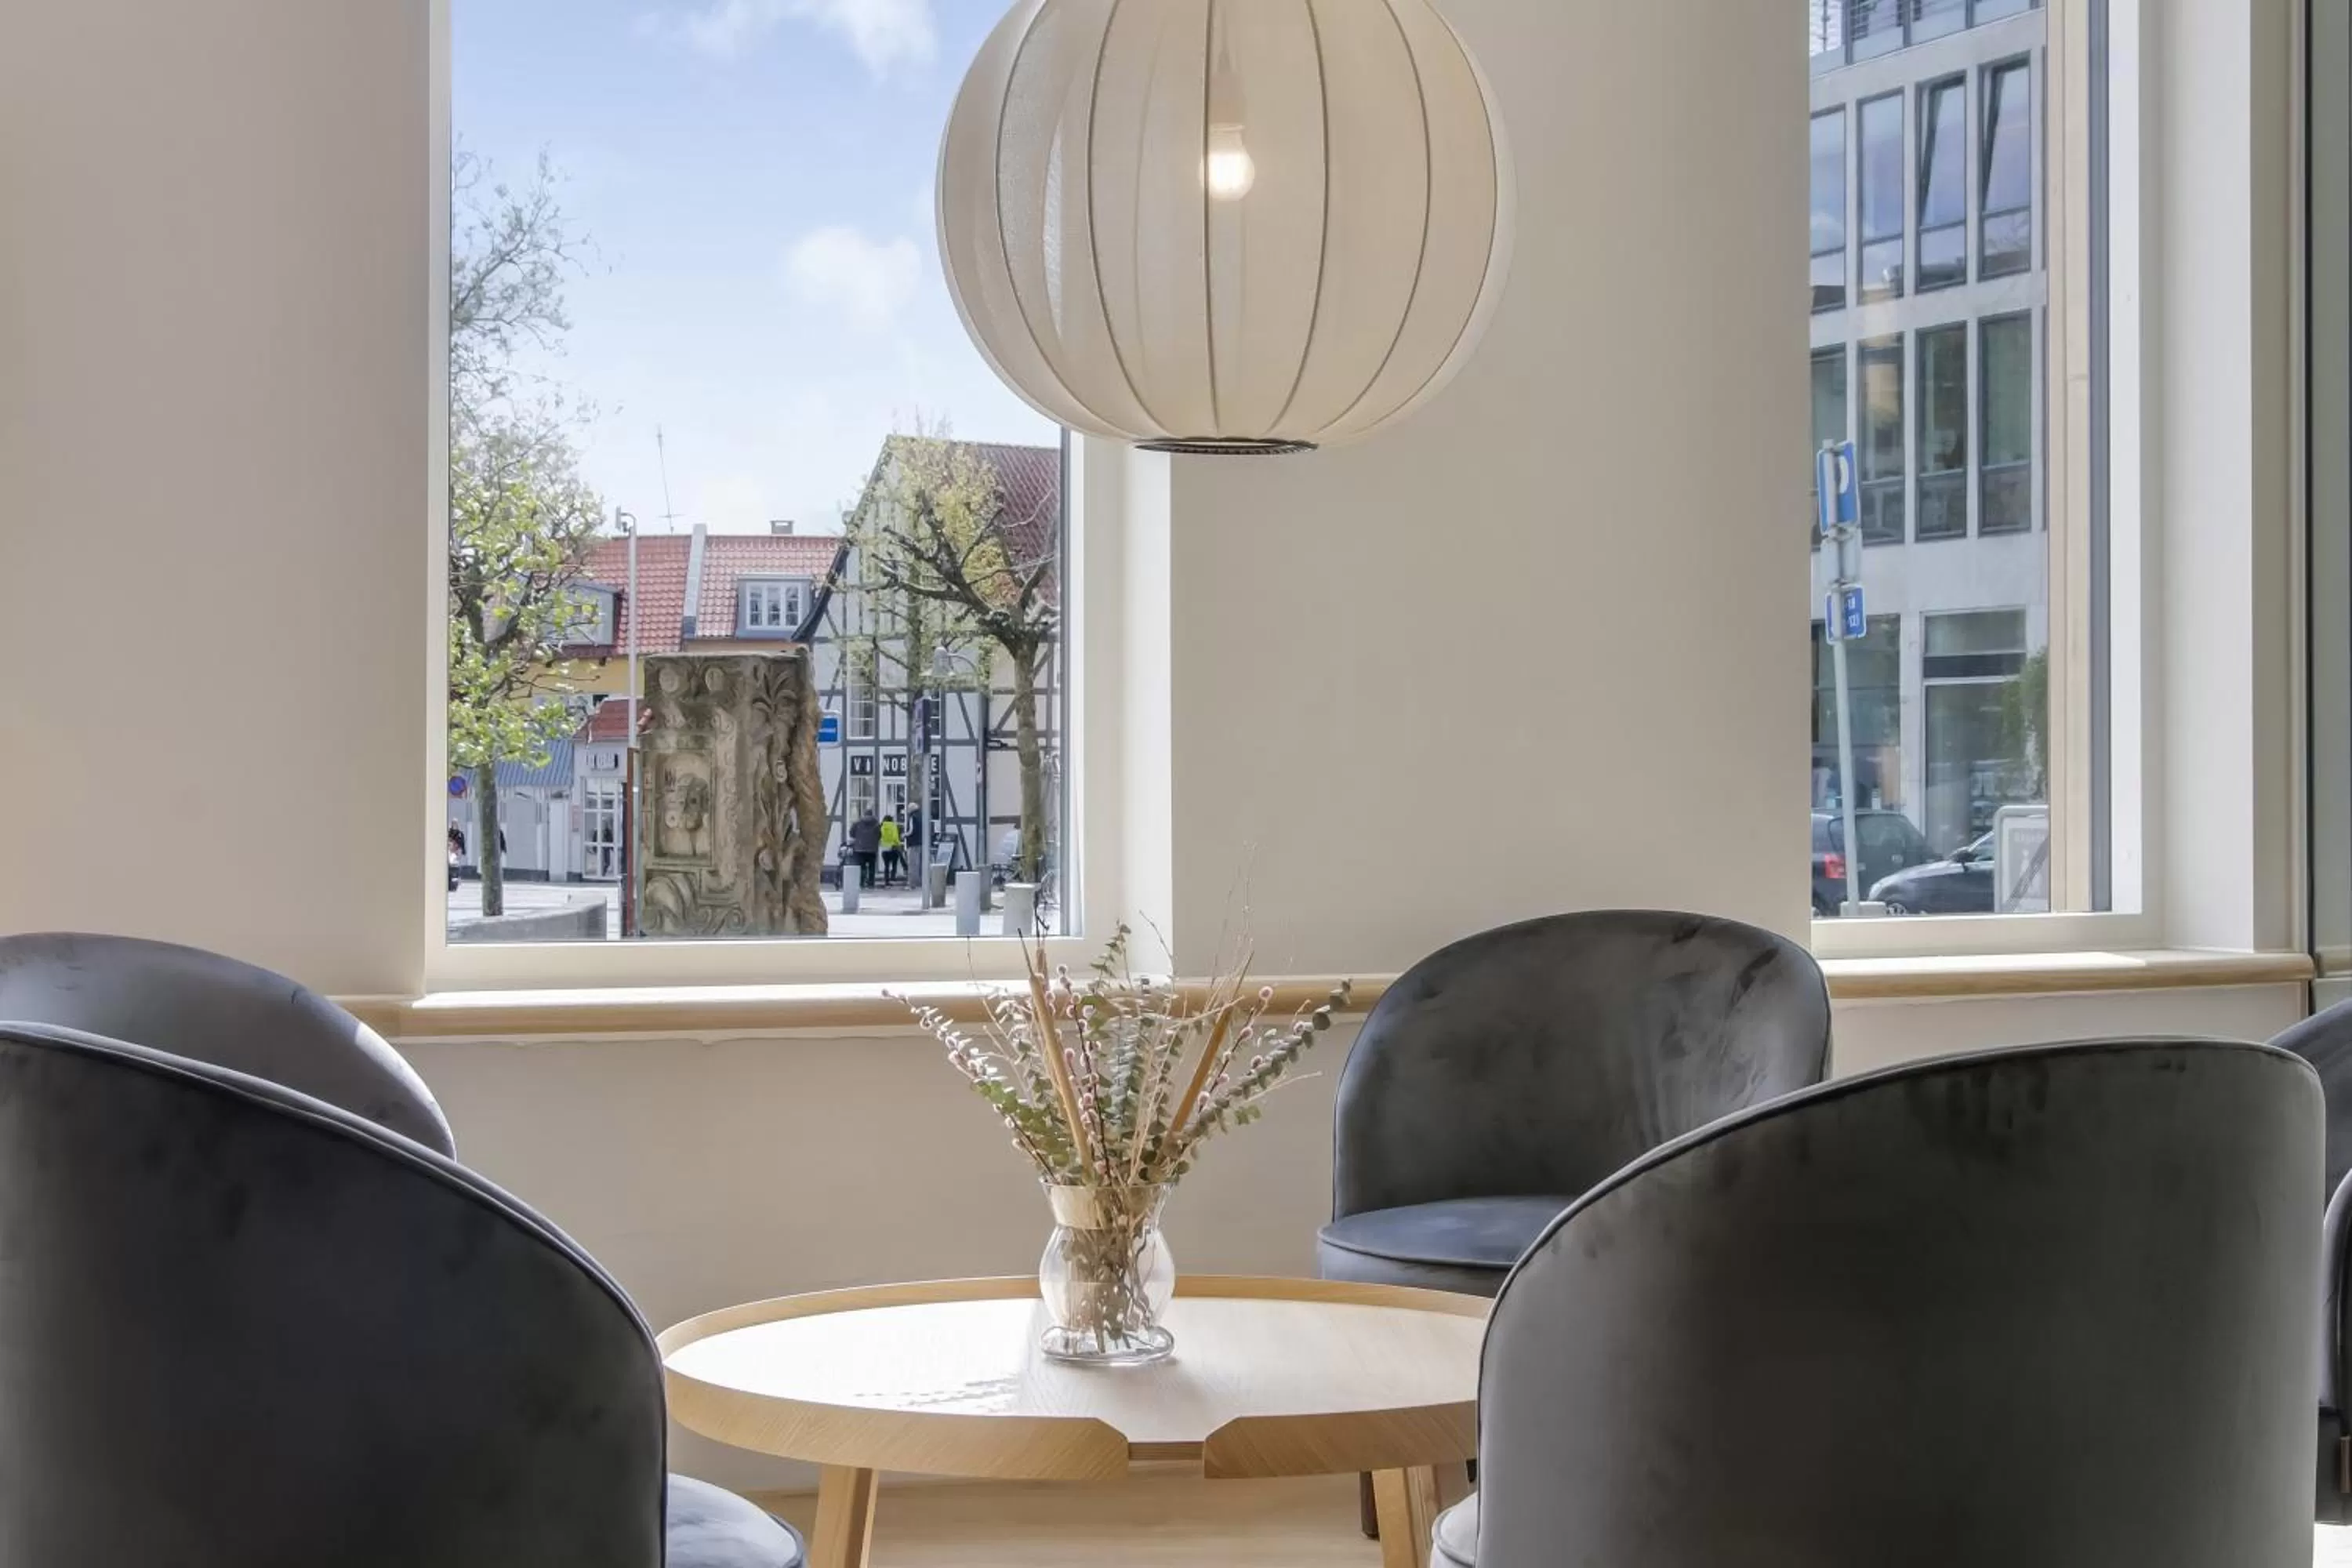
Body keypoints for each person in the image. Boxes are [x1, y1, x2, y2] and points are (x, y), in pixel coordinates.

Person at [848, 810, 881, 889]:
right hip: (872, 849)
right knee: (872, 867)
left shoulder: (857, 823)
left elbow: (851, 833)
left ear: (864, 814)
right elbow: (879, 835)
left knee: (862, 867)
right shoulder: (876, 824)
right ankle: (871, 884)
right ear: (872, 815)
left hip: (860, 848)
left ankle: (861, 883)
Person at [879, 811, 904, 886]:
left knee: (886, 865)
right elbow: (895, 837)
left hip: (884, 848)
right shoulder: (893, 826)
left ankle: (886, 880)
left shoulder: (881, 826)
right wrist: (898, 844)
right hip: (893, 847)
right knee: (894, 864)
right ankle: (893, 877)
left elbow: (879, 837)